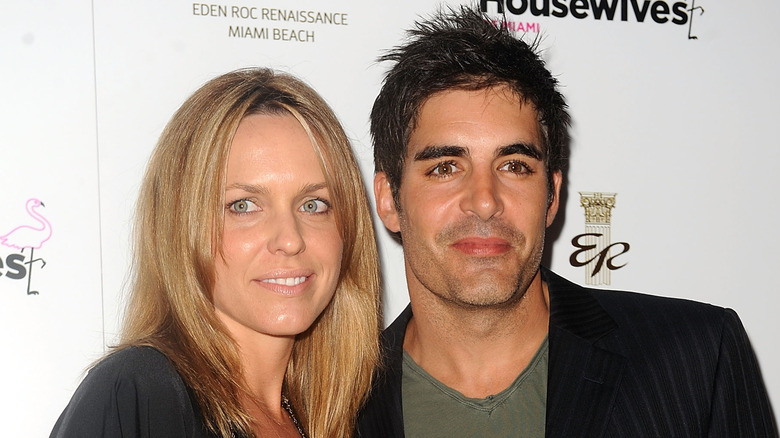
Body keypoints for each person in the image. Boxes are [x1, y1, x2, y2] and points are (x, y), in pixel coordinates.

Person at [356, 6, 777, 437]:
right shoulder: (334, 407)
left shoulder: (698, 362)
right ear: (389, 198)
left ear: (552, 195)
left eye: (515, 165)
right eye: (445, 167)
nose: (484, 202)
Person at [50, 68, 381, 438]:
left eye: (314, 205)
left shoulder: (350, 418)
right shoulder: (140, 395)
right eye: (243, 206)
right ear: (181, 225)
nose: (290, 240)